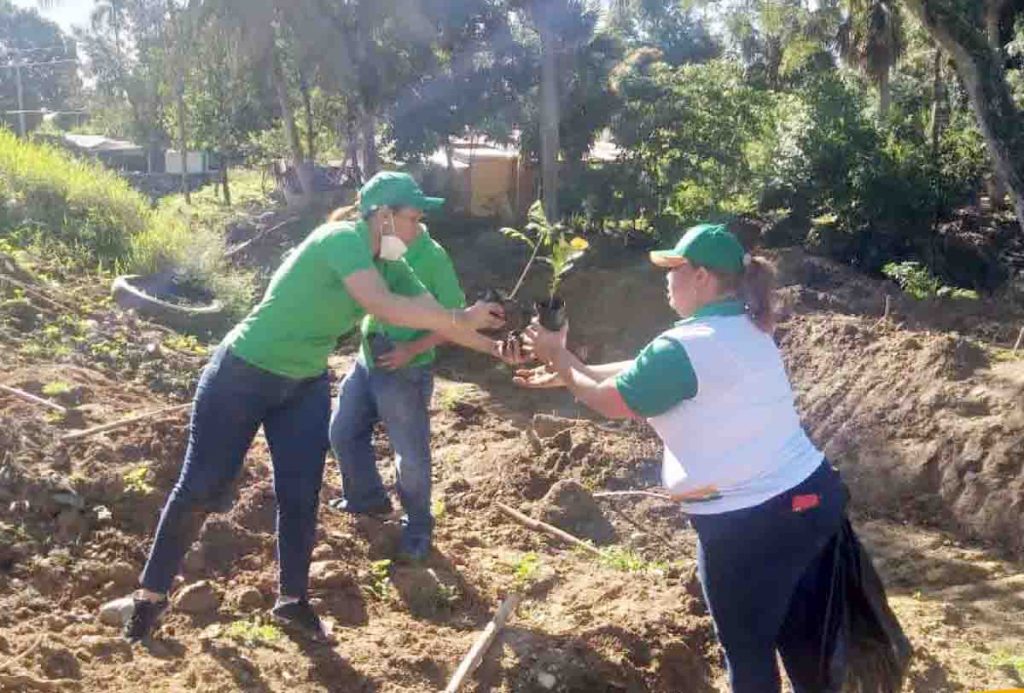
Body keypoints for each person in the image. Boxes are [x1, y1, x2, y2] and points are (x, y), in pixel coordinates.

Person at [122, 172, 519, 644]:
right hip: (244, 373)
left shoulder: (392, 263)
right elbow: (383, 306)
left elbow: (432, 312)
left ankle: (292, 602)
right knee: (202, 487)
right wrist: (460, 316)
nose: (419, 229)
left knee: (300, 494)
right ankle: (149, 598)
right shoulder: (339, 239)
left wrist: (497, 347)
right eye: (414, 218)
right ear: (384, 216)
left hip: (303, 384)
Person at [519, 223, 851, 692]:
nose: (665, 279)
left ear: (700, 277)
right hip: (812, 500)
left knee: (748, 651)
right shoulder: (743, 326)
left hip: (748, 522)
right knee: (807, 647)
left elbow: (609, 400)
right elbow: (641, 371)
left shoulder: (685, 345)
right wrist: (571, 367)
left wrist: (561, 359)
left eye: (673, 269)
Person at [328, 217, 464, 563]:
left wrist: (410, 351)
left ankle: (418, 526)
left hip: (405, 369)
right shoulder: (378, 249)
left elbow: (456, 319)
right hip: (368, 360)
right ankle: (366, 498)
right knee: (343, 431)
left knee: (410, 456)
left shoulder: (434, 258)